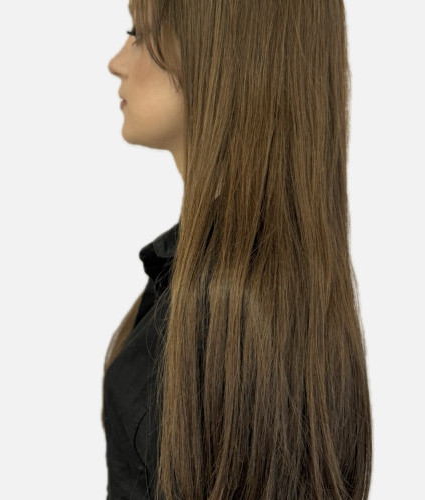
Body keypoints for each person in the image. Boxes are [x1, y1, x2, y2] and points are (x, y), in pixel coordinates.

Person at [104, 1, 372, 499]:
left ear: (218, 53)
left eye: (139, 34)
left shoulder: (222, 311)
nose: (117, 62)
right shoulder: (266, 290)